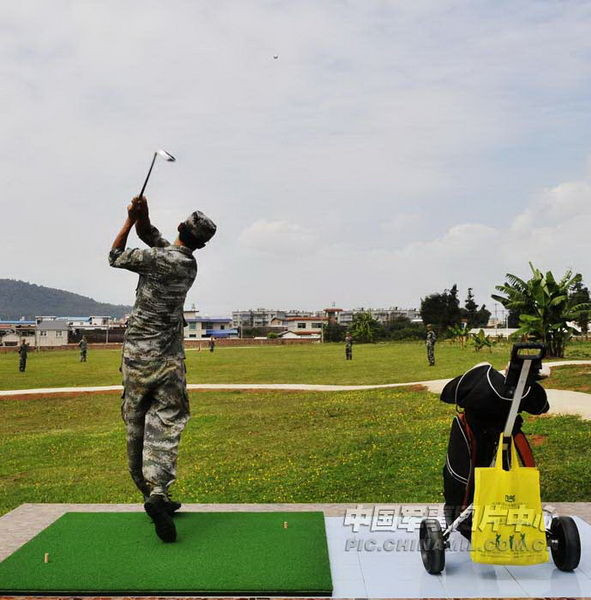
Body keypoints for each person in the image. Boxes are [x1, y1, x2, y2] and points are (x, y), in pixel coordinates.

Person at [109, 196, 216, 543]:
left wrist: (128, 220)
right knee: (167, 426)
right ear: (199, 243)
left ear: (181, 228)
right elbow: (153, 238)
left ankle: (147, 491)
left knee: (135, 424)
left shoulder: (157, 259)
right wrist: (144, 217)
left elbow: (114, 256)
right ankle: (159, 494)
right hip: (170, 362)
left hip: (137, 361)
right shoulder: (186, 264)